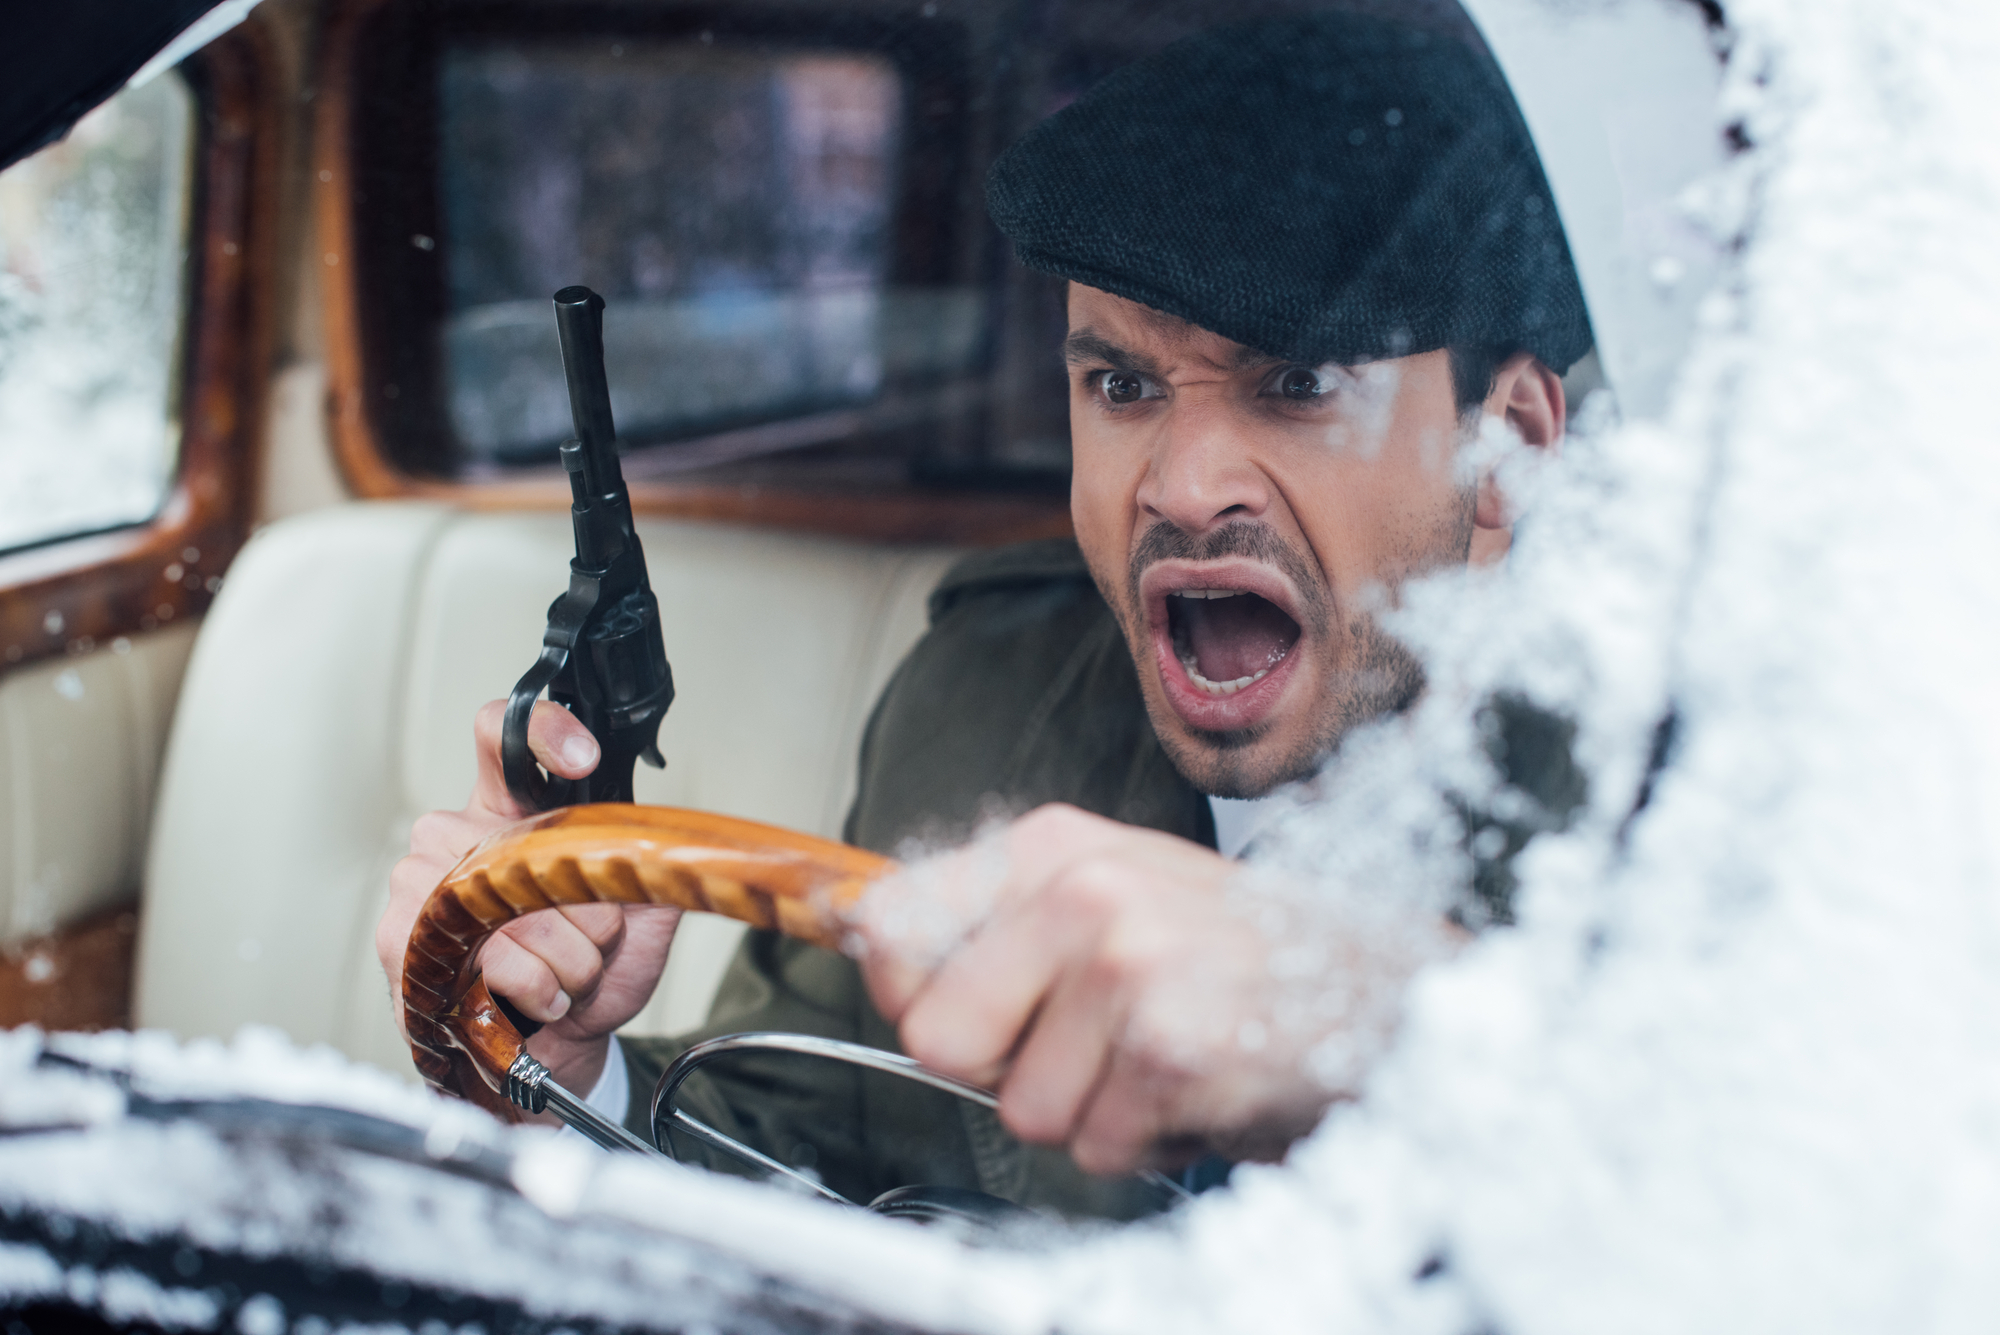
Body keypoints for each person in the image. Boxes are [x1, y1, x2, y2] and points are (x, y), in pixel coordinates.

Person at [378, 11, 1591, 1220]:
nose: (1176, 484)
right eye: (1120, 385)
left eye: (1297, 385)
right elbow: (791, 1159)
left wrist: (1384, 1025)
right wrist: (561, 1067)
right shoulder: (986, 696)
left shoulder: (1682, 782)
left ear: (1507, 453)